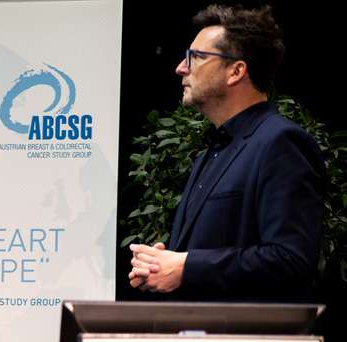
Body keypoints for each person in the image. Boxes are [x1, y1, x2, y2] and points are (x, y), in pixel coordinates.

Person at [128, 4, 324, 301]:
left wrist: (187, 266)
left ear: (236, 71)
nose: (181, 67)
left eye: (195, 57)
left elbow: (291, 259)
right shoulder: (210, 152)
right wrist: (162, 265)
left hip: (246, 331)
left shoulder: (281, 142)